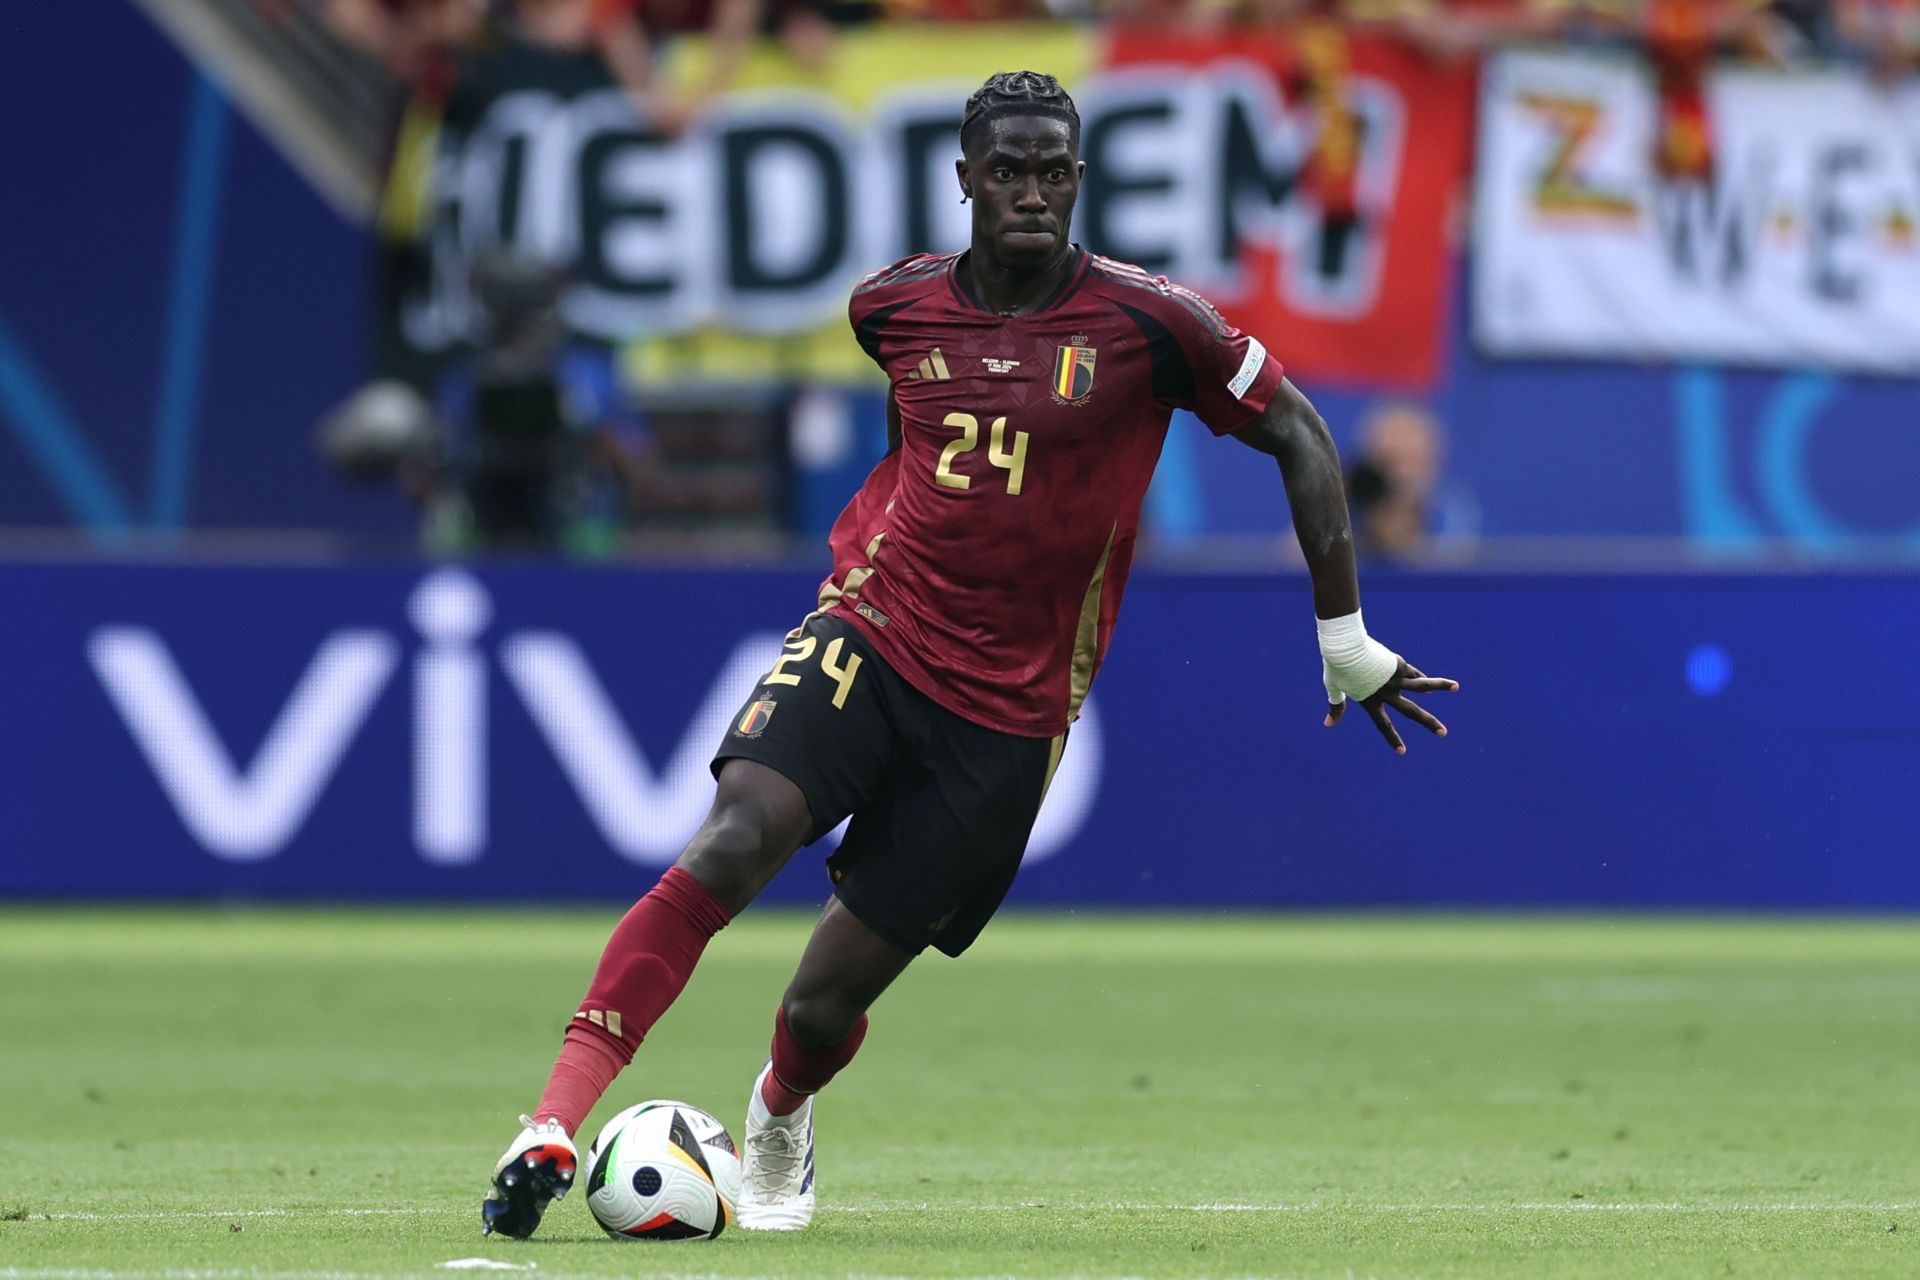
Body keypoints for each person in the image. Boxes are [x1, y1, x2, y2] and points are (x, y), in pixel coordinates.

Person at [480, 68, 1459, 1240]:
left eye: (1055, 168)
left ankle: (781, 1108)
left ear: (1080, 180)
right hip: (877, 629)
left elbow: (1297, 433)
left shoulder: (1155, 324)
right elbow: (915, 442)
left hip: (1008, 711)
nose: (1033, 189)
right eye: (1010, 168)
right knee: (738, 831)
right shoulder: (891, 307)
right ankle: (548, 1117)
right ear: (966, 180)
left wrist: (1342, 634)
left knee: (823, 999)